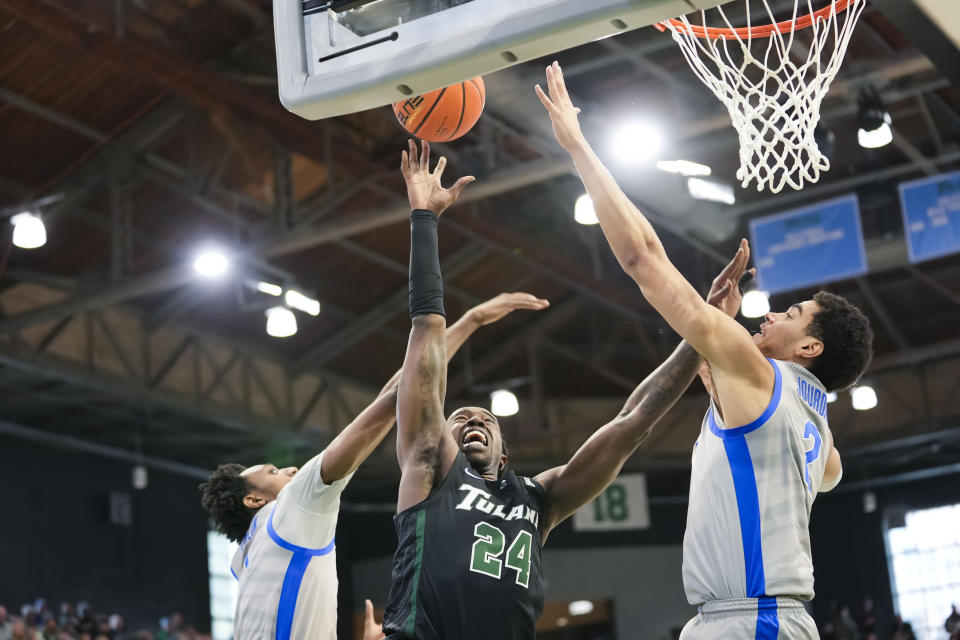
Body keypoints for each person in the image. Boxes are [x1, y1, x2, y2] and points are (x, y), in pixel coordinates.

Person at [536, 60, 874, 639]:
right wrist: (710, 329)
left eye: (790, 315)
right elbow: (818, 466)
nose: (770, 312)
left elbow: (644, 258)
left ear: (811, 346)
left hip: (752, 623)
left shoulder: (759, 374)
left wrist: (577, 145)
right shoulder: (821, 437)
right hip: (755, 619)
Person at [381, 139, 752, 639]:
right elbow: (426, 330)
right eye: (460, 417)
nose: (472, 419)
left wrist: (705, 330)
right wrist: (423, 218)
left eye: (485, 419)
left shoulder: (539, 498)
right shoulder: (428, 467)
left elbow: (633, 420)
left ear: (506, 454)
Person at [199, 289, 546, 640]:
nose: (289, 470)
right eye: (272, 472)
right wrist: (472, 321)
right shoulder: (295, 502)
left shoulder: (241, 560)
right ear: (253, 500)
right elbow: (402, 392)